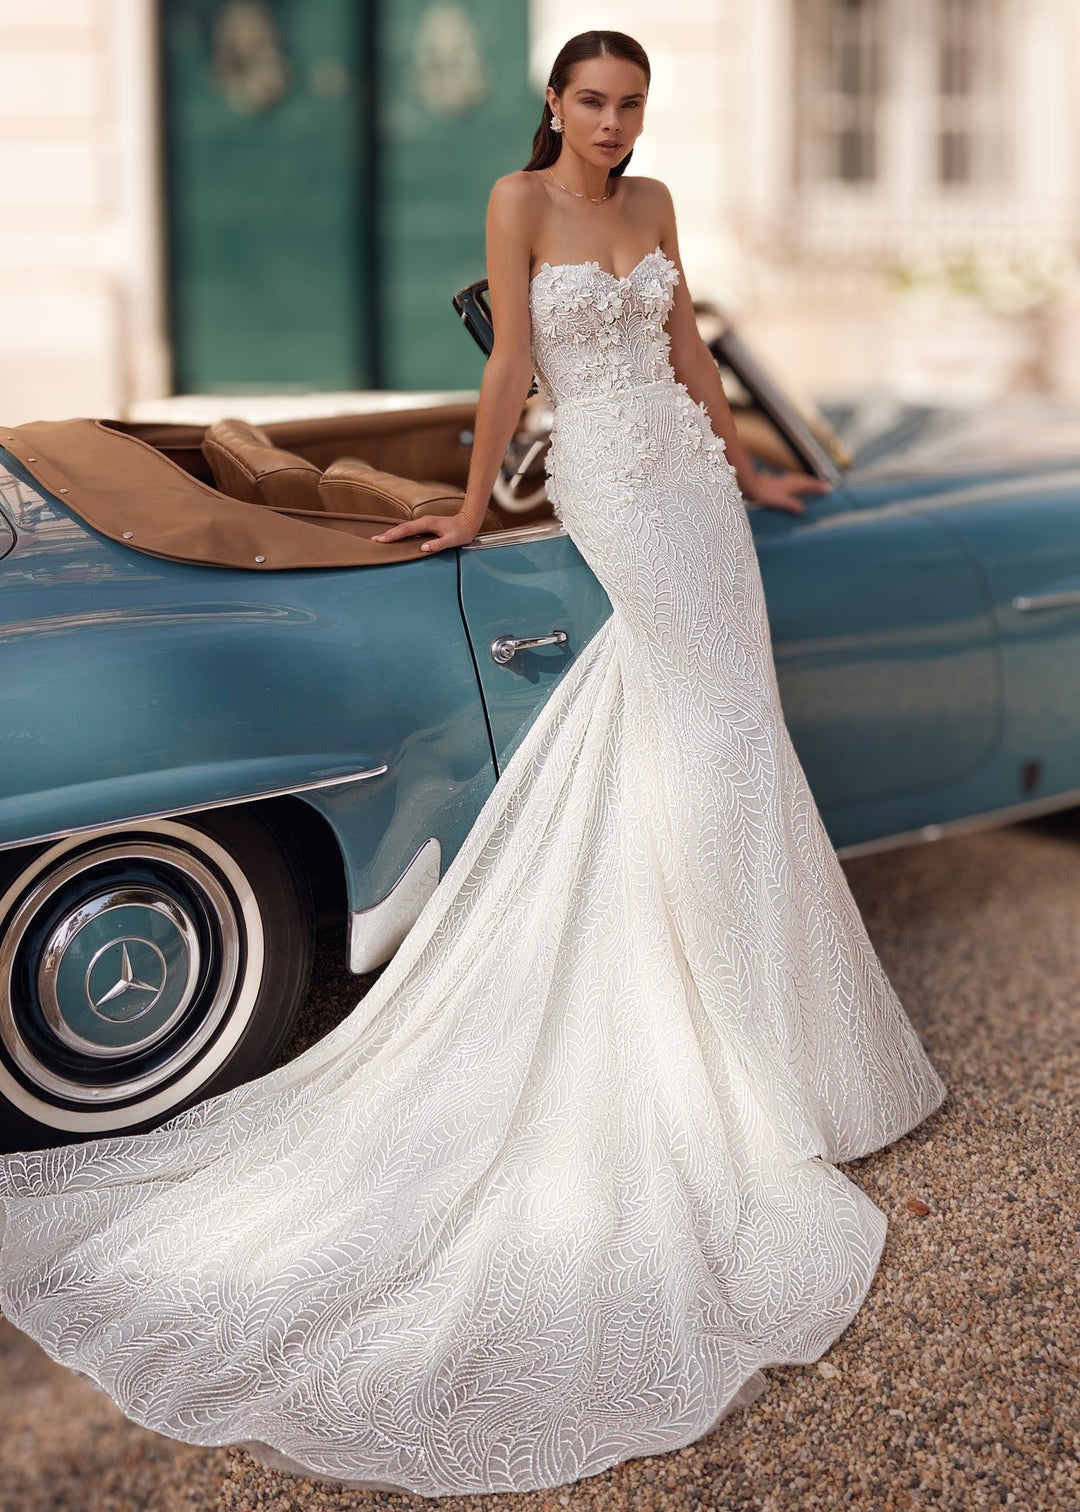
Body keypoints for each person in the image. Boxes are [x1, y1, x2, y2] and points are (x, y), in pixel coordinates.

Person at [0, 29, 947, 1501]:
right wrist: (462, 508)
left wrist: (745, 463)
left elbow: (687, 349)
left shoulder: (657, 203)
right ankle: (710, 1051)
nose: (614, 126)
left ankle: (785, 1056)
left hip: (694, 486)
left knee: (734, 736)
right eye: (593, 104)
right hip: (611, 483)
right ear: (553, 105)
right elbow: (511, 360)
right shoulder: (519, 204)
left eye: (632, 106)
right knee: (696, 737)